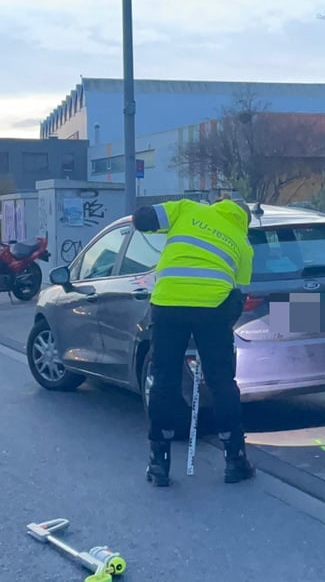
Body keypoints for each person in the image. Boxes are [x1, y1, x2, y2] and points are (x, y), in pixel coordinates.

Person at [132, 193, 254, 487]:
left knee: (163, 380)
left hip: (168, 303)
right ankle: (235, 459)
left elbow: (143, 219)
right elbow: (239, 292)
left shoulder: (186, 209)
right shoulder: (243, 243)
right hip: (212, 308)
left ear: (219, 204)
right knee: (222, 382)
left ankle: (159, 462)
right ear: (245, 221)